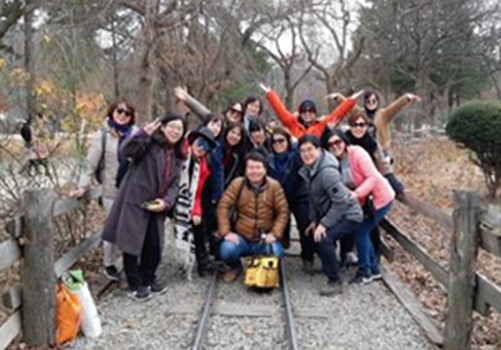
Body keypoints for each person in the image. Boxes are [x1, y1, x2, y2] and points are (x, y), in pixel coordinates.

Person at [102, 112, 186, 301]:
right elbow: (126, 151)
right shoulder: (148, 144)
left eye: (179, 128)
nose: (175, 131)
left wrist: (166, 202)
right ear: (163, 127)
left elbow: (175, 184)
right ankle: (134, 284)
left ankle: (149, 279)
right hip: (135, 200)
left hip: (157, 205)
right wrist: (141, 134)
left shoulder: (177, 155)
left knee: (154, 245)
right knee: (132, 245)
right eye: (172, 126)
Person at [71, 98, 136, 281]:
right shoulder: (103, 136)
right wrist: (82, 185)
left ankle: (131, 262)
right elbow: (89, 163)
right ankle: (109, 264)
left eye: (127, 113)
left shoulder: (136, 134)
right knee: (112, 228)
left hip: (132, 192)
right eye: (119, 111)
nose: (122, 115)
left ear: (131, 116)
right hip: (111, 191)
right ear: (112, 113)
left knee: (132, 227)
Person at [324, 129, 395, 283]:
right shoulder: (335, 162)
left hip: (380, 198)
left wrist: (356, 194)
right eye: (331, 144)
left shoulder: (357, 153)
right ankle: (373, 269)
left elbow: (373, 177)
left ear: (344, 141)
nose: (335, 146)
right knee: (363, 232)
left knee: (361, 231)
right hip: (364, 202)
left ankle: (365, 272)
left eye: (338, 142)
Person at [298, 135, 363, 296]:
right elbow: (313, 198)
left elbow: (341, 202)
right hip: (336, 211)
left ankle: (335, 281)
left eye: (310, 150)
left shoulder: (327, 172)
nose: (306, 154)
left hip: (350, 214)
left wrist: (324, 224)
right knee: (317, 233)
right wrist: (314, 221)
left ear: (319, 150)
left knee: (324, 238)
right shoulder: (311, 169)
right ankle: (333, 266)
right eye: (302, 151)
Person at [217, 151, 290, 283]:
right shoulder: (237, 184)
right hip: (242, 237)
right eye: (250, 168)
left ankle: (262, 267)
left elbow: (283, 212)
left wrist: (275, 233)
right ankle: (235, 267)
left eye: (258, 167)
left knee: (276, 253)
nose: (254, 171)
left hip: (264, 238)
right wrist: (226, 232)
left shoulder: (274, 186)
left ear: (265, 169)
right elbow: (223, 206)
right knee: (226, 250)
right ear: (245, 169)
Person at [173, 127, 218, 278]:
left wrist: (196, 212)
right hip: (170, 196)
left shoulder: (202, 167)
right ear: (192, 141)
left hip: (185, 201)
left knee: (198, 223)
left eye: (206, 148)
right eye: (200, 143)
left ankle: (201, 261)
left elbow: (197, 193)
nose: (201, 148)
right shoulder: (179, 152)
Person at [268, 127, 315, 271]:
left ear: (287, 142)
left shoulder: (296, 157)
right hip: (279, 197)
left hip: (298, 195)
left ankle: (308, 257)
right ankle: (280, 243)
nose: (278, 144)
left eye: (281, 140)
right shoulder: (269, 159)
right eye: (274, 141)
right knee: (276, 221)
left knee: (304, 224)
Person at [259, 83, 361, 139]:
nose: (307, 114)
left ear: (314, 113)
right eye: (304, 111)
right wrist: (270, 94)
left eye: (310, 111)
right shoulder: (292, 124)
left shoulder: (321, 126)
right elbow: (280, 111)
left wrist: (350, 101)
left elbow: (337, 114)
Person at [174, 86, 244, 125]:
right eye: (233, 111)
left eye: (239, 113)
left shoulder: (241, 135)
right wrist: (187, 99)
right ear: (227, 110)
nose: (235, 114)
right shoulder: (218, 123)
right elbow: (203, 112)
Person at [222, 123, 246, 188]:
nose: (235, 136)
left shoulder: (238, 155)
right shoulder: (217, 148)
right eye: (233, 132)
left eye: (238, 135)